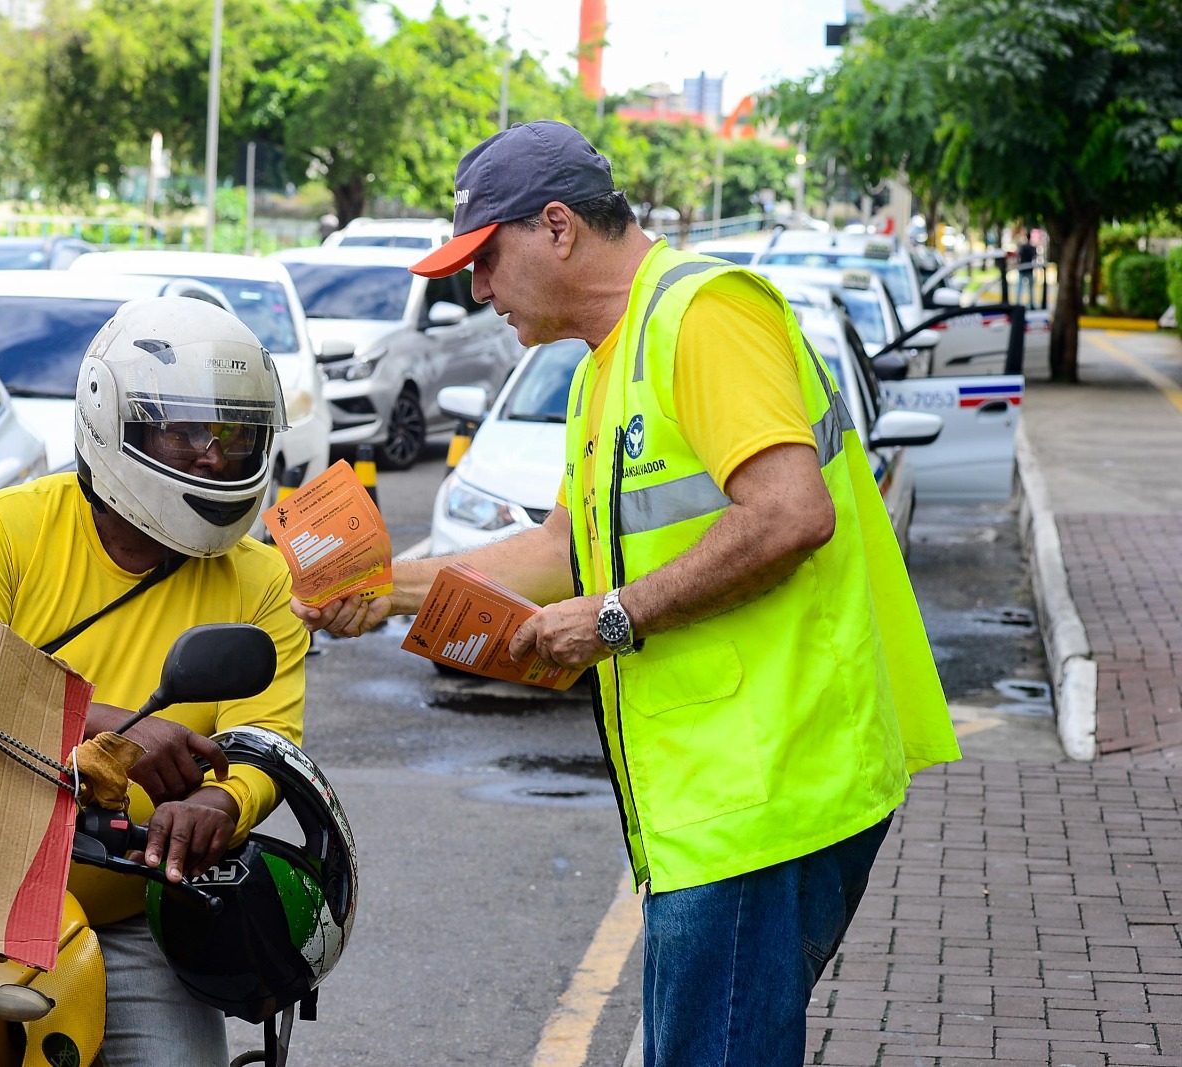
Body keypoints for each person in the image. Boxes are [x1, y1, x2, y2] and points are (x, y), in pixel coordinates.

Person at [295, 120, 961, 1067]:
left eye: (485, 261)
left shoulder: (703, 315)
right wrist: (387, 587)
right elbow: (568, 547)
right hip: (712, 801)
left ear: (557, 228)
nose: (476, 291)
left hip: (765, 791)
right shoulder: (606, 364)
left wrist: (616, 619)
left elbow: (787, 514)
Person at [0, 297, 309, 1066]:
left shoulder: (261, 580)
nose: (212, 456)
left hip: (126, 917)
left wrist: (220, 802)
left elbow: (268, 745)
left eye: (232, 434)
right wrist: (112, 725)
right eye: (184, 430)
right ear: (113, 422)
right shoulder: (4, 531)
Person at [1014, 228, 1038, 307]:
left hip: (1024, 269)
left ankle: (1018, 303)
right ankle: (1031, 304)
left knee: (1020, 288)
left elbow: (1018, 257)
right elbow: (1035, 257)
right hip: (1028, 269)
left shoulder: (1023, 247)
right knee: (1029, 289)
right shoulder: (1031, 247)